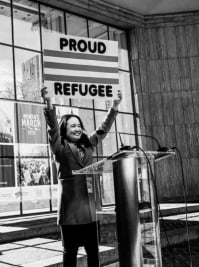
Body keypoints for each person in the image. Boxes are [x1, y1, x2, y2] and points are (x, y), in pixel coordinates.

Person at [41, 87, 122, 267]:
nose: (77, 128)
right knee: (70, 254)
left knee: (93, 252)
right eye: (72, 125)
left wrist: (114, 107)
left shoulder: (89, 144)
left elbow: (103, 129)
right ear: (65, 129)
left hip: (90, 211)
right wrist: (48, 103)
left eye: (79, 125)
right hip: (71, 213)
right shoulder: (59, 148)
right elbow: (53, 128)